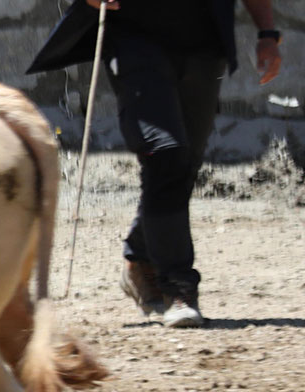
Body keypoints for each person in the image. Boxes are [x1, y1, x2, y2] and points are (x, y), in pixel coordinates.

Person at [28, 0, 282, 327]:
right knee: (165, 153)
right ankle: (177, 287)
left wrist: (268, 33)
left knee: (183, 164)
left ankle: (139, 259)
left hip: (204, 43)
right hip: (134, 39)